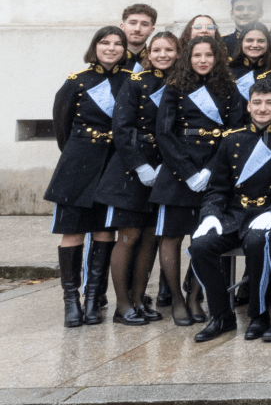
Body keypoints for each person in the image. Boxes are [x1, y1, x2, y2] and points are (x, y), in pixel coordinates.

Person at [187, 80, 271, 343]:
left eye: (270, 103)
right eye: (258, 103)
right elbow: (217, 188)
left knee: (256, 244)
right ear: (249, 105)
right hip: (234, 215)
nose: (263, 109)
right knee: (200, 247)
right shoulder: (231, 140)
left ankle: (259, 314)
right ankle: (221, 316)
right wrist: (210, 215)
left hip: (269, 214)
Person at [150, 35, 245, 327]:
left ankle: (195, 295)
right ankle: (177, 299)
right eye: (196, 55)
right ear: (187, 58)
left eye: (209, 55)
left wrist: (212, 171)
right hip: (179, 171)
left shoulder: (230, 89)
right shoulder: (175, 88)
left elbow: (234, 133)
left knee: (203, 237)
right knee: (172, 237)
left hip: (214, 170)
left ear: (217, 58)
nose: (203, 60)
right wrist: (188, 172)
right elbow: (164, 133)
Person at [47, 26, 130, 327]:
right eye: (105, 43)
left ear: (124, 49)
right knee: (72, 232)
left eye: (117, 44)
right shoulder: (76, 82)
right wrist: (77, 155)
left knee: (105, 231)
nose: (111, 48)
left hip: (112, 164)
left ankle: (93, 301)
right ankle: (71, 303)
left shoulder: (130, 82)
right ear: (94, 46)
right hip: (78, 164)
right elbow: (62, 127)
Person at [93, 29, 177, 325]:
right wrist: (139, 165)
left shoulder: (180, 84)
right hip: (131, 170)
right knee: (128, 236)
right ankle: (122, 305)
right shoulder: (135, 82)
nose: (162, 55)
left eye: (169, 50)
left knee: (150, 238)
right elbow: (122, 127)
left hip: (165, 169)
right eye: (157, 50)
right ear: (148, 54)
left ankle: (140, 299)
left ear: (178, 54)